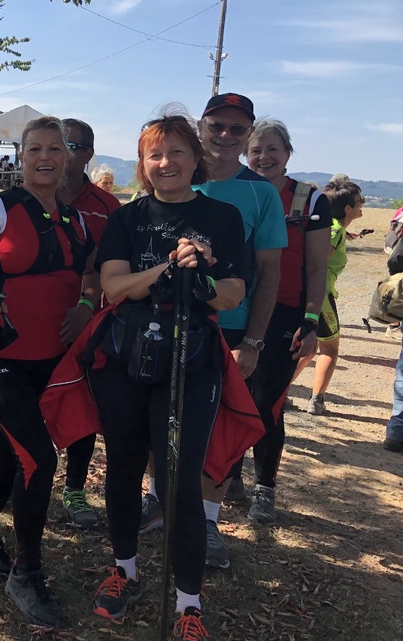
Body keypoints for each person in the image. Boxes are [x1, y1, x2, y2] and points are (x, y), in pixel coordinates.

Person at [88, 113, 246, 641]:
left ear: (195, 158)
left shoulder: (221, 217)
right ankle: (125, 571)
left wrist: (200, 277)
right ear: (143, 164)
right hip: (129, 357)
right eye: (155, 154)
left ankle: (188, 605)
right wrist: (166, 271)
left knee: (179, 480)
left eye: (177, 151)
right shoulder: (126, 218)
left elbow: (232, 294)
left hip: (192, 360)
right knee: (124, 466)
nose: (166, 163)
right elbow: (113, 287)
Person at [0, 116, 99, 627]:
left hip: (51, 361)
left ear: (68, 157)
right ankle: (26, 571)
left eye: (55, 149)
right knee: (38, 457)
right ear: (22, 156)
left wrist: (85, 305)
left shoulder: (76, 220)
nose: (45, 157)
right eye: (35, 149)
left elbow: (91, 276)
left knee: (9, 448)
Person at [142, 93, 286, 571]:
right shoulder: (173, 174)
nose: (226, 135)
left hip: (229, 326)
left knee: (217, 428)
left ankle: (206, 519)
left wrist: (254, 341)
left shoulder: (261, 194)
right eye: (217, 125)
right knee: (157, 412)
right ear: (201, 127)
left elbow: (269, 273)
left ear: (248, 136)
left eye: (237, 129)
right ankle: (156, 498)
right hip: (166, 320)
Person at [241, 121, 331, 524]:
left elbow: (317, 268)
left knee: (266, 403)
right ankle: (228, 476)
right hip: (236, 310)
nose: (264, 157)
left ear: (287, 153)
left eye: (272, 149)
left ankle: (264, 487)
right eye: (256, 150)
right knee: (230, 398)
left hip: (285, 315)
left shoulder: (309, 200)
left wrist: (310, 322)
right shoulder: (236, 190)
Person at [53, 118, 121, 530]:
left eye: (75, 147)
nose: (66, 154)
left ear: (90, 154)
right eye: (60, 145)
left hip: (86, 323)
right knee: (25, 402)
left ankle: (74, 487)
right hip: (33, 321)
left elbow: (112, 270)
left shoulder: (109, 207)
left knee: (82, 404)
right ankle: (20, 476)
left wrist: (86, 306)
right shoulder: (27, 195)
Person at [292, 178, 365, 416]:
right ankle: (317, 400)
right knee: (329, 349)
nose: (362, 205)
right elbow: (316, 260)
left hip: (313, 294)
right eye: (360, 201)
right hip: (320, 297)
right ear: (348, 208)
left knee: (308, 348)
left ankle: (281, 392)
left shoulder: (332, 227)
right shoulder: (334, 230)